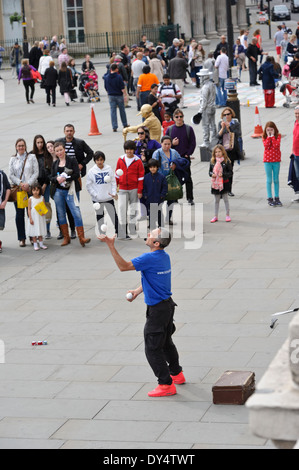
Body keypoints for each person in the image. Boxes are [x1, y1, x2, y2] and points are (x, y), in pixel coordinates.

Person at [99, 227, 185, 397]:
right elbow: (154, 279)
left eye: (151, 234)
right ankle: (177, 374)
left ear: (156, 243)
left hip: (157, 311)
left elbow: (123, 267)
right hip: (167, 307)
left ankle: (166, 385)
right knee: (166, 342)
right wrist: (138, 291)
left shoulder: (149, 257)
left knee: (152, 348)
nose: (147, 235)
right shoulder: (163, 257)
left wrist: (110, 245)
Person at [50, 142, 91, 247]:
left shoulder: (72, 160)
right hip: (58, 191)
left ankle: (81, 237)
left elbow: (77, 174)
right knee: (61, 214)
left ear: (64, 150)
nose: (59, 152)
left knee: (76, 212)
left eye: (61, 150)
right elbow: (51, 177)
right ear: (55, 152)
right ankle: (66, 237)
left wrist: (66, 177)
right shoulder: (55, 164)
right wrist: (57, 179)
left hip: (70, 190)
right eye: (57, 151)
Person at [152, 135, 190, 224]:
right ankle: (158, 218)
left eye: (169, 144)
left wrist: (176, 165)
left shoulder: (174, 152)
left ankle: (168, 218)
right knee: (159, 200)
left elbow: (181, 161)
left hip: (172, 179)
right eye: (165, 144)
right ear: (161, 144)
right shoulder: (157, 153)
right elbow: (155, 166)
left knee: (171, 199)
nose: (167, 146)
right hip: (160, 180)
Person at [8, 139, 39, 247]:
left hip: (30, 189)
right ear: (16, 147)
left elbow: (36, 172)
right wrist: (21, 184)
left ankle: (32, 236)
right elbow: (11, 174)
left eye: (22, 145)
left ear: (25, 146)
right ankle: (21, 238)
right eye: (19, 146)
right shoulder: (13, 159)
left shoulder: (32, 157)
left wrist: (28, 184)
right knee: (19, 214)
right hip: (19, 190)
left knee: (31, 213)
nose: (21, 147)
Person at [166, 108, 196, 205]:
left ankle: (190, 198)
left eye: (181, 116)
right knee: (174, 178)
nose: (179, 118)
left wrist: (188, 153)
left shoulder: (188, 129)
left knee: (188, 178)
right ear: (173, 118)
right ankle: (175, 198)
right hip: (174, 158)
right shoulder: (170, 130)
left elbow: (193, 143)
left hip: (184, 158)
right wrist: (172, 144)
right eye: (177, 117)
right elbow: (165, 144)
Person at [115, 140, 145, 240]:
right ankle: (123, 230)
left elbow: (141, 177)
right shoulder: (120, 159)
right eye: (127, 149)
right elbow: (116, 174)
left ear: (134, 150)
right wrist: (115, 188)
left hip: (134, 189)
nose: (129, 151)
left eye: (131, 149)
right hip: (123, 189)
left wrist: (140, 190)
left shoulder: (138, 161)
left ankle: (132, 227)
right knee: (122, 209)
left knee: (133, 209)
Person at [86, 151, 119, 236]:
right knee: (100, 216)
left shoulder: (108, 169)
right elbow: (89, 186)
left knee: (113, 215)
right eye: (97, 160)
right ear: (95, 161)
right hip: (97, 199)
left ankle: (119, 231)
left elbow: (113, 181)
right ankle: (102, 233)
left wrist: (113, 192)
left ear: (104, 160)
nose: (99, 162)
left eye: (101, 160)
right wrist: (95, 195)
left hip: (108, 197)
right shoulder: (92, 171)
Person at [31, 135, 53, 239]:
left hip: (46, 184)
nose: (40, 144)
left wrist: (44, 185)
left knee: (45, 207)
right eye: (38, 143)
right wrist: (36, 186)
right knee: (34, 207)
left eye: (41, 142)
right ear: (35, 144)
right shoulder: (31, 155)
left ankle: (47, 229)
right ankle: (35, 230)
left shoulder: (47, 154)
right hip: (35, 185)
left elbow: (50, 171)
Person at [217, 107, 242, 197]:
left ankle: (229, 190)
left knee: (229, 170)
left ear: (232, 114)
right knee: (221, 170)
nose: (227, 116)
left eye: (228, 114)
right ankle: (221, 189)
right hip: (222, 150)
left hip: (231, 149)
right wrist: (223, 127)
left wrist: (228, 128)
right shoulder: (220, 123)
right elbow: (218, 136)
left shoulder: (235, 123)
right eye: (225, 115)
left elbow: (237, 134)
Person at [209, 145, 233, 223]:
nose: (218, 153)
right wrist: (212, 174)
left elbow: (230, 172)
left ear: (223, 152)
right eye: (216, 152)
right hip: (215, 184)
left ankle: (227, 215)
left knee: (225, 199)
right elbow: (210, 171)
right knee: (216, 200)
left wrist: (223, 174)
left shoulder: (226, 161)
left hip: (224, 183)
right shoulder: (213, 161)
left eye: (219, 151)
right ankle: (215, 216)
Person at [142, 159, 168, 230]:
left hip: (159, 198)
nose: (152, 169)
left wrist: (162, 195)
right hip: (149, 198)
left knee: (159, 212)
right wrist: (145, 195)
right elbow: (144, 187)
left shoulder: (161, 177)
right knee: (151, 212)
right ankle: (151, 224)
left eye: (154, 167)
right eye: (151, 167)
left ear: (157, 167)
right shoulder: (146, 177)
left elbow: (165, 187)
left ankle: (161, 225)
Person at [104, 63, 129, 132]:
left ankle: (114, 126)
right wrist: (125, 95)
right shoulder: (119, 77)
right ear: (116, 69)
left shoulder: (106, 77)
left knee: (113, 111)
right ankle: (125, 124)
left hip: (111, 95)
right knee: (122, 110)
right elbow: (122, 87)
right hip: (119, 95)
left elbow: (105, 87)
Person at [195, 68, 217, 149]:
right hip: (212, 107)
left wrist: (200, 111)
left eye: (201, 77)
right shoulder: (211, 84)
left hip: (206, 108)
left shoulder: (205, 87)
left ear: (204, 77)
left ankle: (206, 142)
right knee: (212, 124)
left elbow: (204, 101)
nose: (199, 78)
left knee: (205, 126)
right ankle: (215, 139)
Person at [262, 122, 282, 207]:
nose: (269, 131)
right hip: (267, 161)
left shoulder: (278, 136)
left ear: (274, 129)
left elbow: (276, 145)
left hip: (276, 160)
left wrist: (273, 136)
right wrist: (269, 137)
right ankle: (270, 197)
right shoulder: (264, 137)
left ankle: (277, 197)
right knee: (269, 180)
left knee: (276, 179)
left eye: (271, 129)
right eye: (268, 130)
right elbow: (266, 146)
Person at [27, 182, 48, 251]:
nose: (35, 192)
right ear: (31, 191)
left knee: (40, 229)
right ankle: (35, 244)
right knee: (34, 230)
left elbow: (44, 206)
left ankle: (41, 243)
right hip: (33, 216)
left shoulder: (42, 198)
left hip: (40, 216)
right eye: (34, 190)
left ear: (39, 190)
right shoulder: (30, 199)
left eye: (37, 190)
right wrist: (30, 218)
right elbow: (29, 209)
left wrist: (43, 212)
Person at [0, 169, 11, 253]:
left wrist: (5, 201)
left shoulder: (2, 174)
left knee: (0, 225)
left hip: (0, 205)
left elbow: (8, 187)